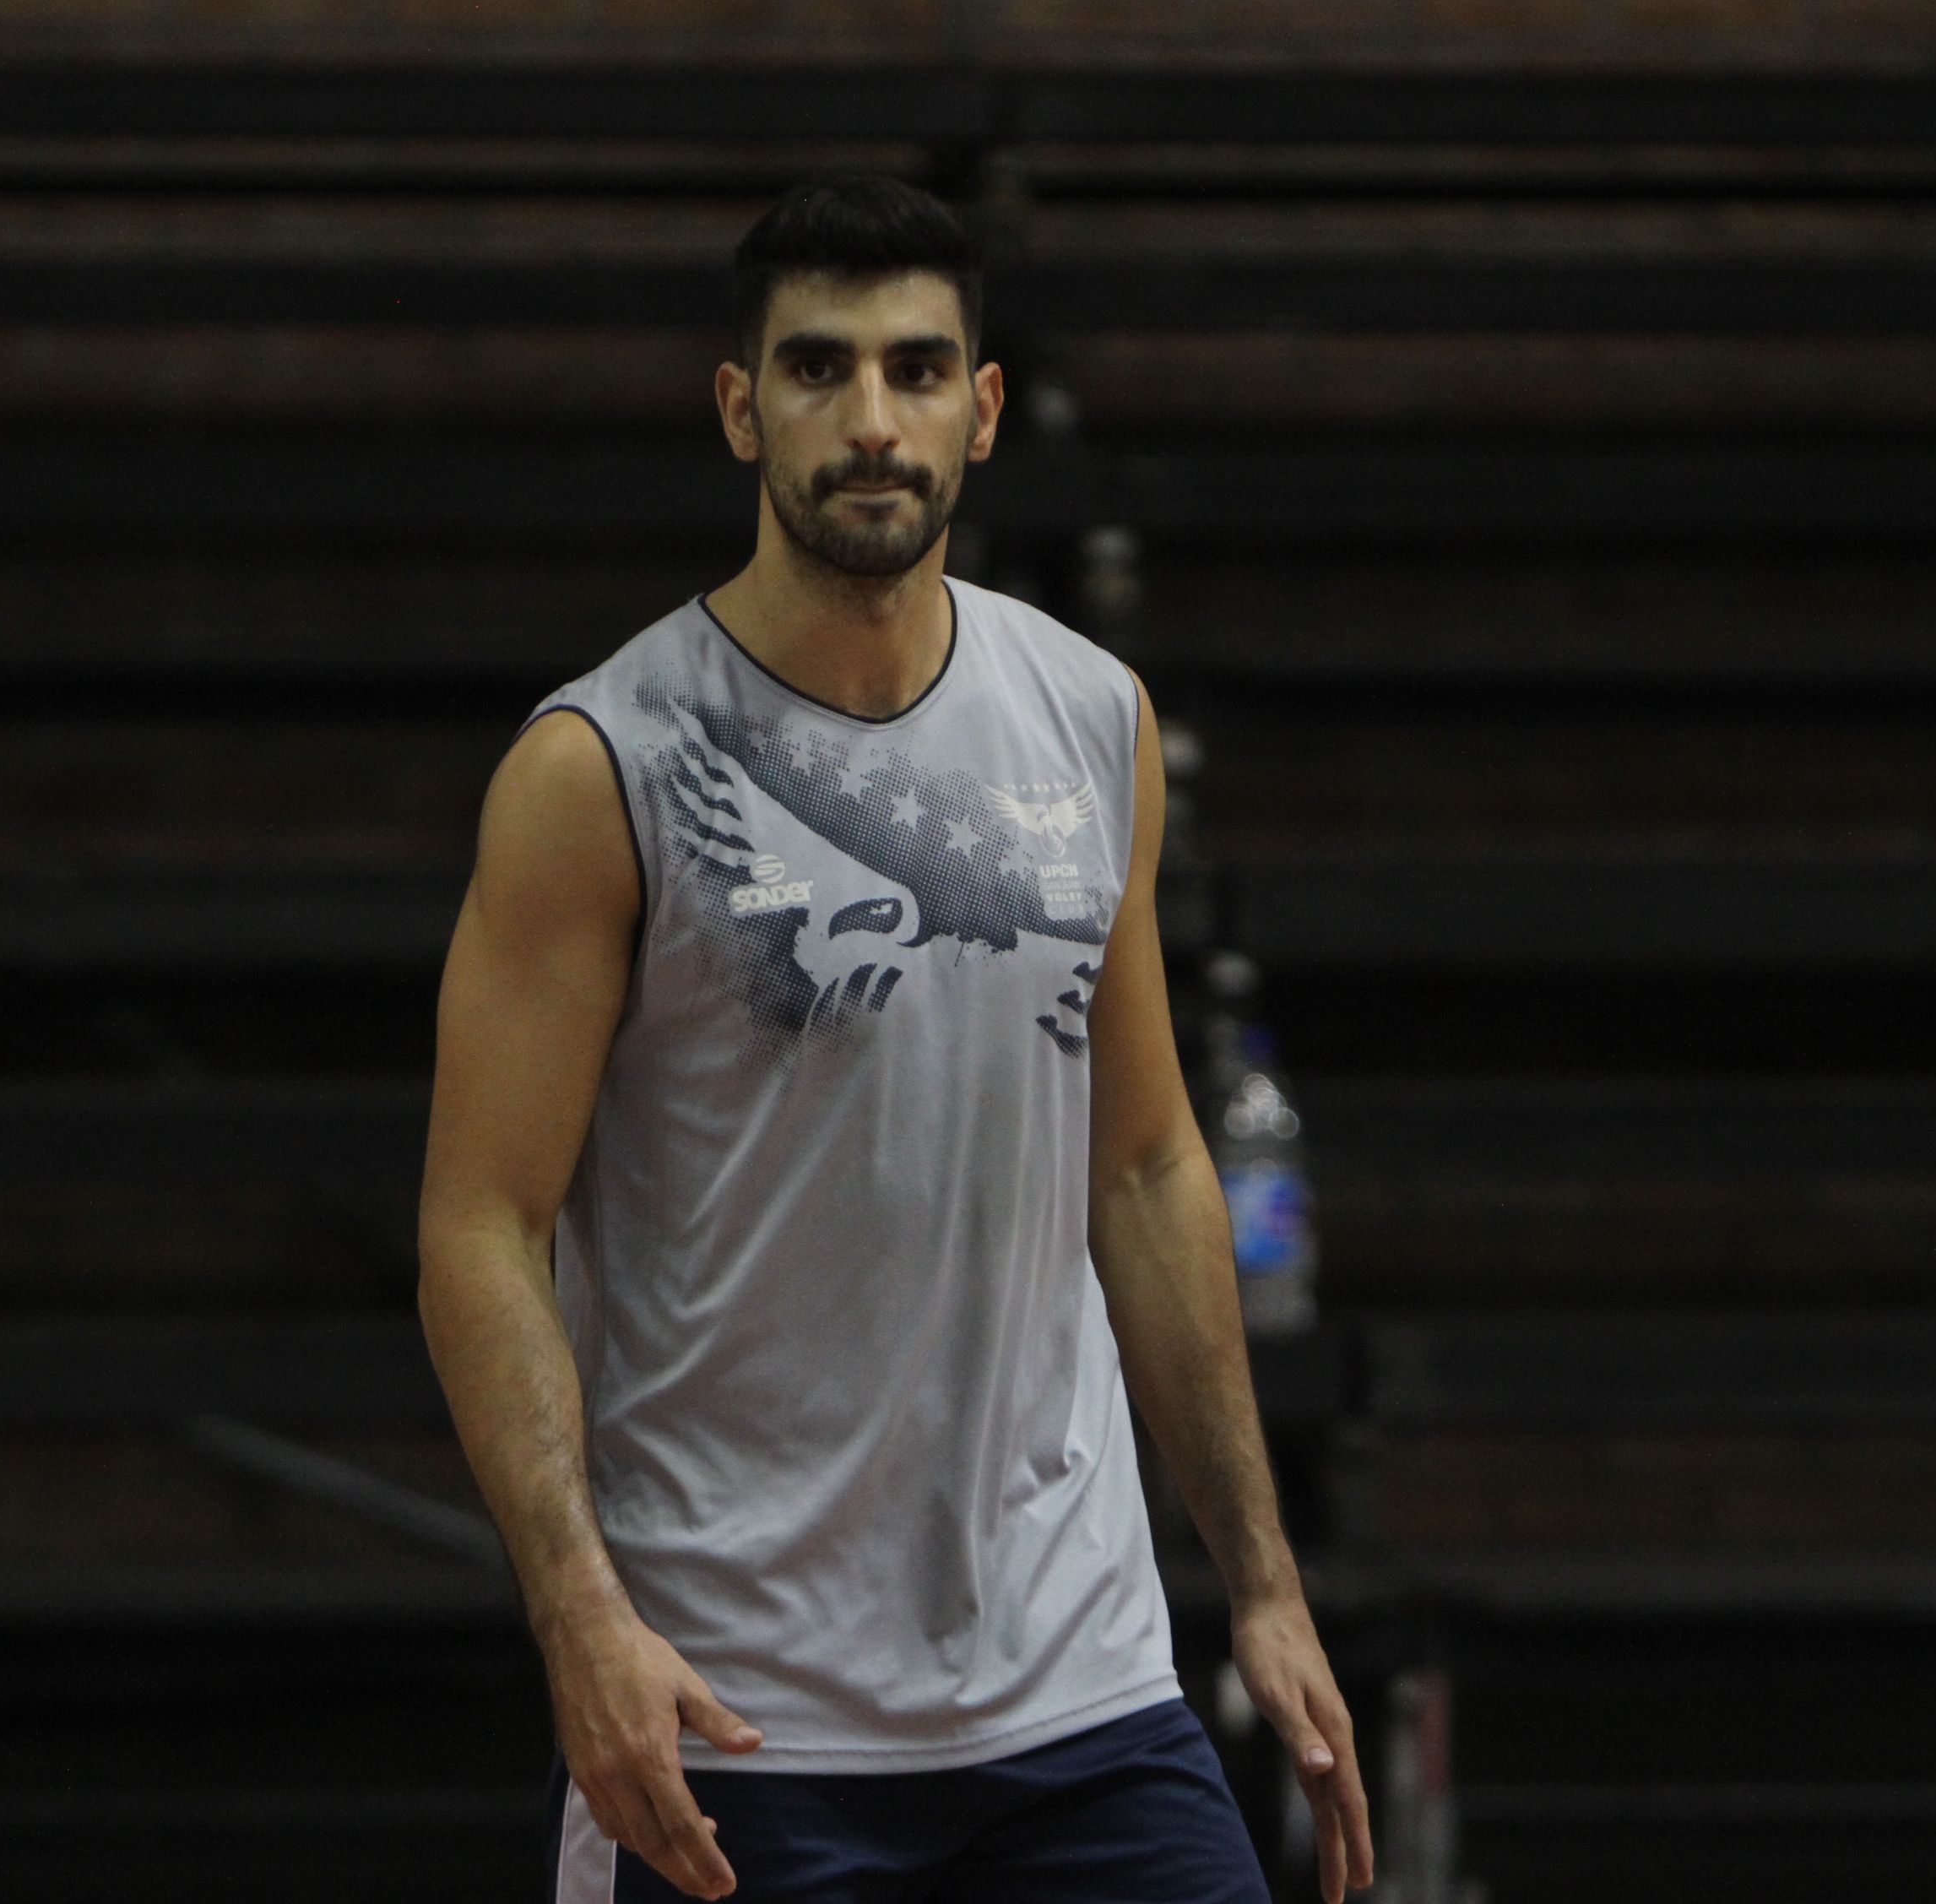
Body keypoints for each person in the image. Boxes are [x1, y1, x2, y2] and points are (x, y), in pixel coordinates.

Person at [419, 175, 1370, 1904]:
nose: (872, 420)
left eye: (918, 369)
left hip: (1079, 1686)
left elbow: (1147, 1165)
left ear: (982, 410)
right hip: (737, 1711)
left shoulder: (1090, 717)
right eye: (819, 368)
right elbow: (481, 1226)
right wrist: (576, 1619)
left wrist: (1267, 1582)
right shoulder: (601, 763)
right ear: (740, 407)